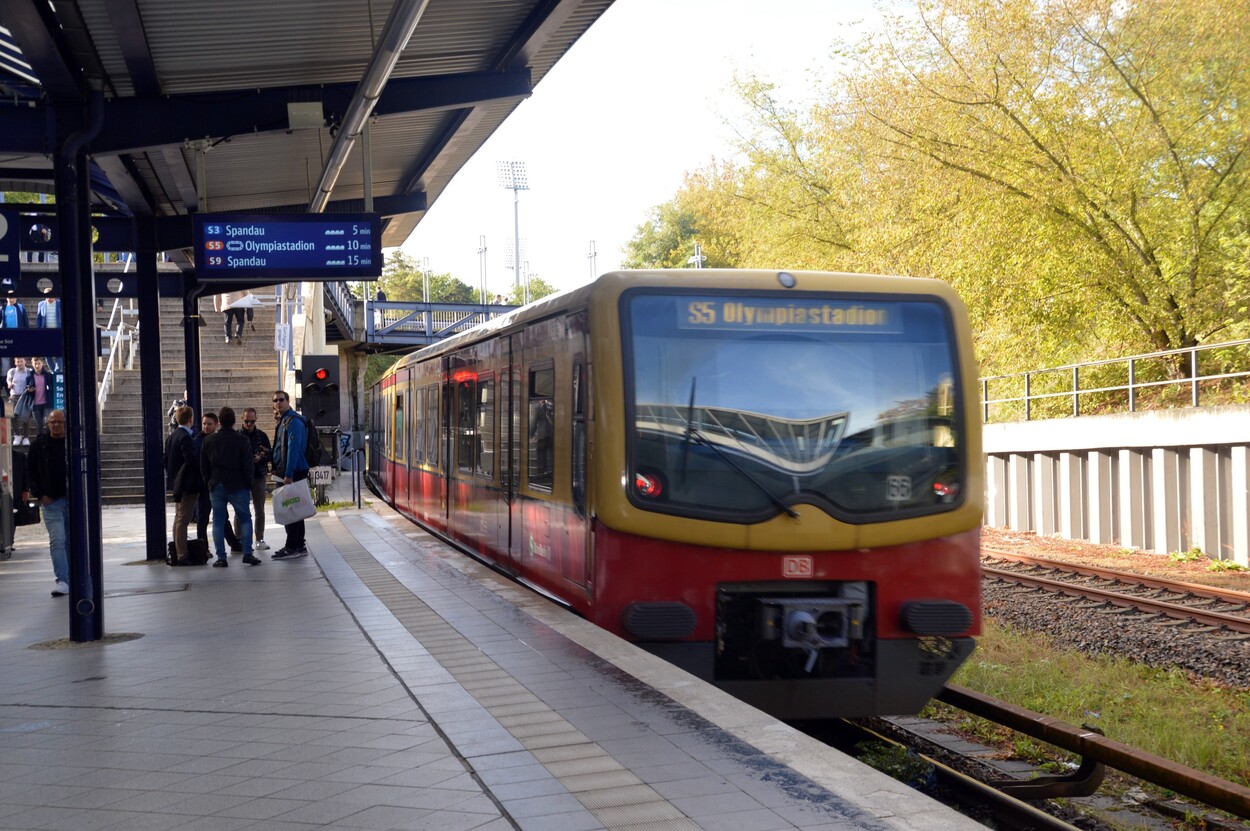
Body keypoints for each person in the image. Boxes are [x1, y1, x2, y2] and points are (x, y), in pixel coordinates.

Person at [200, 407, 259, 567]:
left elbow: (203, 465)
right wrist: (249, 484)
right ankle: (247, 553)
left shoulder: (209, 440)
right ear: (234, 421)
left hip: (216, 484)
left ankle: (221, 557)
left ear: (219, 422)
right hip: (238, 484)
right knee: (245, 518)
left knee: (218, 522)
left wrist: (208, 482)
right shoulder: (242, 440)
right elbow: (247, 465)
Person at [23, 409, 68, 597]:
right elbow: (30, 471)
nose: (56, 425)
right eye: (53, 422)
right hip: (51, 502)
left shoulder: (73, 443)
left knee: (73, 540)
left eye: (59, 422)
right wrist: (40, 494)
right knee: (57, 540)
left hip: (73, 499)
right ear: (48, 424)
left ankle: (74, 575)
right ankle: (63, 580)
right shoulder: (39, 445)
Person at [271, 389, 310, 560]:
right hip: (285, 472)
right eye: (275, 400)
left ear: (288, 401)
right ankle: (294, 544)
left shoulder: (293, 421)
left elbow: (293, 449)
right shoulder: (284, 421)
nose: (278, 403)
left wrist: (288, 474)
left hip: (293, 473)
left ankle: (295, 545)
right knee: (291, 509)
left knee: (293, 509)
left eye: (281, 400)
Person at [164, 405, 200, 565]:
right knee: (183, 519)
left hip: (176, 483)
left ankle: (177, 550)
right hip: (186, 484)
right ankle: (182, 554)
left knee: (178, 518)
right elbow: (191, 460)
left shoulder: (171, 437)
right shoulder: (185, 438)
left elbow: (166, 461)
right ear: (191, 419)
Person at [240, 407, 272, 551]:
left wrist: (261, 457)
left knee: (260, 509)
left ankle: (259, 538)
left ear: (256, 420)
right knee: (241, 509)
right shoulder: (238, 436)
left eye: (252, 421)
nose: (249, 424)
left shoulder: (262, 436)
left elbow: (270, 454)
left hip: (258, 475)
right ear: (242, 419)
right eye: (247, 421)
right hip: (242, 477)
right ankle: (239, 538)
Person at [29, 357, 54, 434]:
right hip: (36, 404)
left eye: (38, 363)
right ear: (32, 365)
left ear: (42, 363)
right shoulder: (30, 377)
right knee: (38, 425)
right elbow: (26, 390)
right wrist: (29, 391)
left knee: (48, 423)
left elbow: (52, 388)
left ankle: (48, 441)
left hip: (47, 403)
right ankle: (39, 442)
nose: (37, 365)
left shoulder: (48, 376)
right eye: (35, 364)